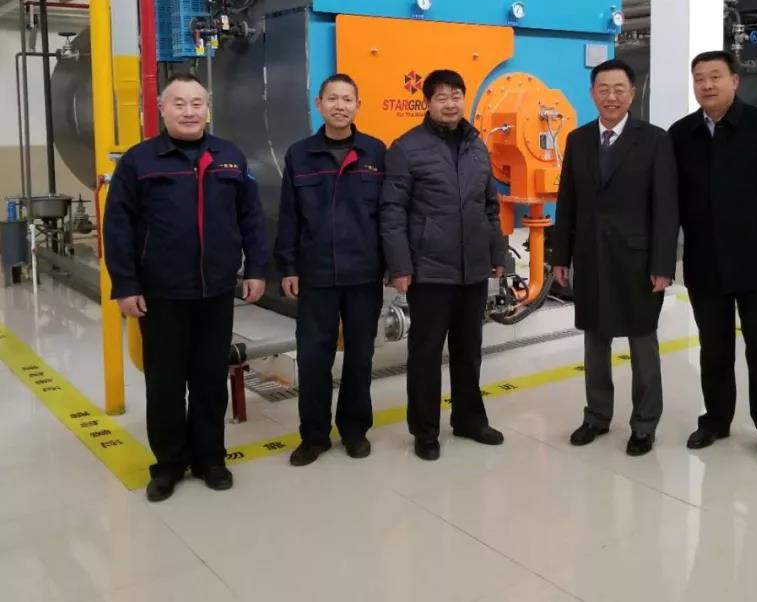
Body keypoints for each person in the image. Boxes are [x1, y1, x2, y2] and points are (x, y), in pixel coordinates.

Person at [104, 73, 268, 501]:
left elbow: (251, 219)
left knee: (210, 380)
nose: (189, 111)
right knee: (165, 384)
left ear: (208, 108)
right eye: (179, 103)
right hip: (161, 294)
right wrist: (125, 284)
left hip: (216, 291)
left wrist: (256, 271)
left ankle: (210, 458)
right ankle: (168, 465)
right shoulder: (139, 161)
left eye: (197, 103)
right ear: (161, 109)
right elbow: (117, 227)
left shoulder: (229, 157)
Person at [668, 50, 757, 466]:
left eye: (715, 76)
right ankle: (716, 420)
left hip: (756, 261)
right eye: (699, 78)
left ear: (734, 81)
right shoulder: (681, 134)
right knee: (713, 348)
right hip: (704, 261)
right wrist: (663, 257)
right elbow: (669, 201)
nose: (707, 85)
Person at [551, 58, 679, 457]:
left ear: (632, 93)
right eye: (603, 89)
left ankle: (645, 423)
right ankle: (597, 415)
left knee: (642, 342)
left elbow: (666, 208)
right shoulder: (578, 140)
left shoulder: (654, 140)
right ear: (592, 93)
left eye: (619, 89)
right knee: (595, 340)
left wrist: (663, 264)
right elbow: (567, 201)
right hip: (591, 257)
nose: (611, 97)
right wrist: (560, 255)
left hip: (638, 260)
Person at [380, 69, 507, 461]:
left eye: (456, 95)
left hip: (473, 270)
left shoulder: (476, 145)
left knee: (469, 350)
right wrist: (400, 266)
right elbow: (392, 212)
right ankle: (425, 431)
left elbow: (490, 205)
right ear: (427, 103)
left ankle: (469, 419)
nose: (450, 103)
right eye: (442, 97)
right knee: (426, 353)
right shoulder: (406, 148)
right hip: (429, 270)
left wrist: (498, 253)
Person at [275, 74, 386, 467]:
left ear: (358, 105)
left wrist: (392, 264)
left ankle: (354, 431)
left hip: (364, 273)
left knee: (360, 356)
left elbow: (387, 214)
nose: (340, 106)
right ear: (318, 104)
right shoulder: (299, 155)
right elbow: (289, 215)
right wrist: (288, 266)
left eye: (347, 99)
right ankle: (314, 436)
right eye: (333, 99)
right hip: (316, 273)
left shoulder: (375, 152)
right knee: (313, 357)